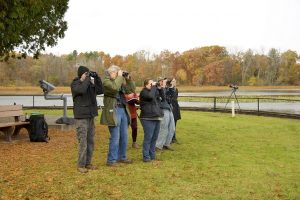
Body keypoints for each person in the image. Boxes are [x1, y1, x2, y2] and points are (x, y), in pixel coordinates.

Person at [71, 65, 103, 173]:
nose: (88, 75)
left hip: (90, 116)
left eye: (88, 74)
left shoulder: (89, 83)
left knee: (90, 141)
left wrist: (97, 78)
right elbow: (82, 90)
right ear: (81, 74)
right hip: (81, 117)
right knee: (83, 141)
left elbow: (100, 90)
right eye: (86, 73)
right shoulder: (75, 84)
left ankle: (88, 163)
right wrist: (87, 79)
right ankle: (81, 165)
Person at [100, 65, 133, 167]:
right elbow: (114, 88)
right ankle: (111, 160)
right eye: (117, 72)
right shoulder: (106, 81)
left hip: (123, 109)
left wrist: (128, 80)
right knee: (115, 136)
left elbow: (130, 90)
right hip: (114, 111)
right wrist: (119, 77)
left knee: (124, 136)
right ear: (111, 73)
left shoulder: (119, 81)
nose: (119, 74)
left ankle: (122, 157)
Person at [139, 79, 164, 162]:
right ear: (146, 85)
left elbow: (163, 99)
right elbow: (150, 97)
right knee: (148, 138)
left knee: (154, 138)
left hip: (156, 117)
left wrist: (160, 88)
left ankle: (152, 156)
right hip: (147, 118)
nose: (152, 85)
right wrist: (154, 87)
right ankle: (146, 157)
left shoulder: (153, 91)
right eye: (150, 84)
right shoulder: (144, 92)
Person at [155, 77, 176, 151]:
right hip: (162, 108)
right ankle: (158, 145)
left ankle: (166, 143)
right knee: (163, 127)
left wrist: (172, 87)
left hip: (169, 108)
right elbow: (163, 98)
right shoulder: (157, 89)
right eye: (162, 81)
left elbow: (172, 97)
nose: (164, 83)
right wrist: (163, 87)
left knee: (172, 127)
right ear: (159, 82)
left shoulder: (166, 88)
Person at [123, 77, 140, 149]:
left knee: (135, 128)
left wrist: (137, 100)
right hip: (126, 113)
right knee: (124, 129)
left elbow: (137, 100)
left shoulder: (133, 93)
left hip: (133, 113)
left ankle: (134, 142)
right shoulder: (123, 92)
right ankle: (123, 143)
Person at [166, 78, 181, 144]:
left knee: (175, 122)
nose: (175, 82)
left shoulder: (176, 89)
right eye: (173, 81)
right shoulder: (168, 89)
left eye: (175, 81)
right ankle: (170, 138)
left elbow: (175, 98)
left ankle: (173, 138)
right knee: (170, 123)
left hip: (176, 107)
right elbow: (168, 98)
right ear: (170, 82)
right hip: (171, 107)